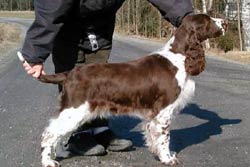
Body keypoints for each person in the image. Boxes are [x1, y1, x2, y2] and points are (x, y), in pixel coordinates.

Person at [21, 0, 194, 156]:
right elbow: (51, 7)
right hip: (67, 22)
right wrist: (35, 52)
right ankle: (78, 134)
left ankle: (99, 129)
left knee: (102, 81)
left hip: (101, 24)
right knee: (78, 84)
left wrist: (186, 16)